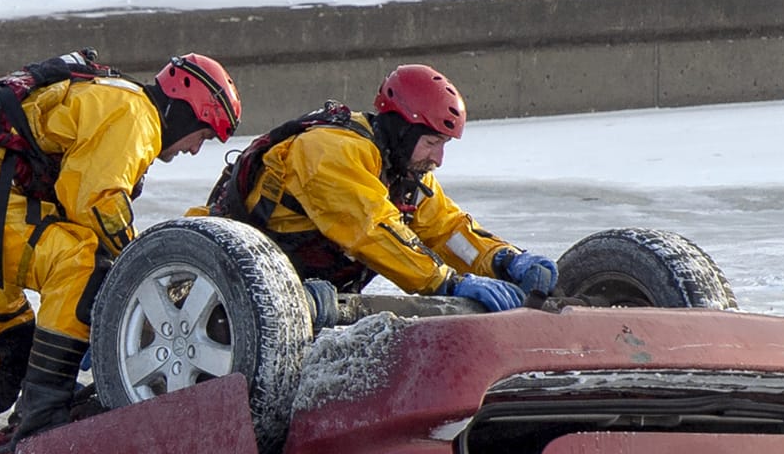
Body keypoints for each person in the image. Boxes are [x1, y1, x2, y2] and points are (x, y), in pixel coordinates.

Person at [0, 52, 241, 446]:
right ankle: (42, 424)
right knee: (79, 263)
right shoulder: (135, 114)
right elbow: (95, 202)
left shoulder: (114, 100)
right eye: (203, 135)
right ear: (190, 112)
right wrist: (136, 273)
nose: (195, 150)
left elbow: (80, 196)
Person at [204, 63, 555, 309]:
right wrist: (446, 281)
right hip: (221, 280)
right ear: (404, 129)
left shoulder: (404, 172)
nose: (439, 158)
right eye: (433, 142)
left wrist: (504, 260)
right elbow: (370, 229)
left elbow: (446, 231)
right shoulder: (330, 151)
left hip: (295, 288)